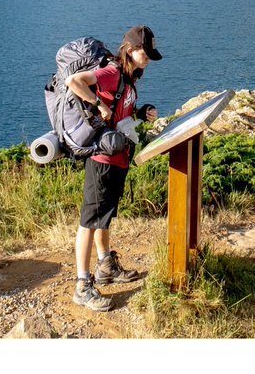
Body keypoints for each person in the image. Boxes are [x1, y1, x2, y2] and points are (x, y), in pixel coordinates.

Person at [64, 25, 162, 311]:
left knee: (103, 218)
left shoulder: (130, 79)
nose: (148, 59)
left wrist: (141, 113)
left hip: (118, 157)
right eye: (145, 53)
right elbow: (74, 81)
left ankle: (105, 266)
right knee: (89, 221)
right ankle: (82, 285)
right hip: (102, 161)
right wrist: (97, 103)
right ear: (130, 50)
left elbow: (121, 111)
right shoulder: (112, 73)